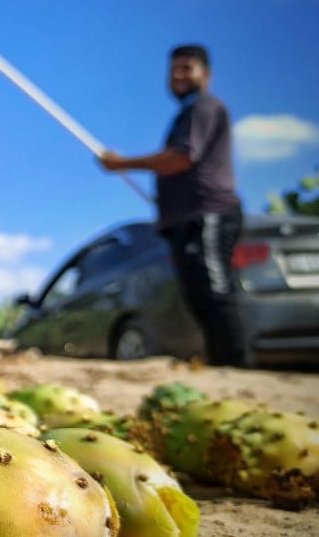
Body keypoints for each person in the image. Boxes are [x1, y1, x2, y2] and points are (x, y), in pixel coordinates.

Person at [98, 44, 249, 367]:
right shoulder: (187, 113)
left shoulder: (204, 106)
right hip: (187, 220)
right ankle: (223, 364)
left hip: (208, 214)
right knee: (200, 296)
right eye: (173, 70)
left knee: (213, 291)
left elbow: (180, 158)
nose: (178, 76)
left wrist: (122, 164)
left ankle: (235, 365)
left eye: (186, 69)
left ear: (206, 75)